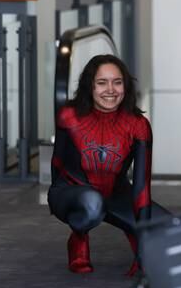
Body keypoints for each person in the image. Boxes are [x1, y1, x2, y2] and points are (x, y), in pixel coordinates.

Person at [48, 54, 167, 275]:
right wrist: (60, 202)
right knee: (92, 205)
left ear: (126, 86)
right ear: (90, 86)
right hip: (72, 192)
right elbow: (57, 162)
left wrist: (142, 242)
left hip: (115, 193)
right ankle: (79, 237)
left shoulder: (138, 125)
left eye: (117, 82)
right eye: (102, 83)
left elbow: (141, 186)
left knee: (170, 230)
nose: (110, 90)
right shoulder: (69, 116)